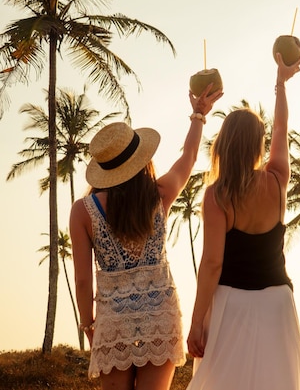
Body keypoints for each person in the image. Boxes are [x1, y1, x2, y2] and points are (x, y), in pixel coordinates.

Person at [70, 83, 223, 390]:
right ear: (141, 159)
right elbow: (189, 158)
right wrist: (197, 115)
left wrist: (88, 325)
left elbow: (84, 280)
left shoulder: (83, 211)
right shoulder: (159, 194)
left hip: (113, 319)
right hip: (160, 315)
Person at [185, 53, 300, 390]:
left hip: (231, 303)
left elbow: (212, 264)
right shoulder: (276, 180)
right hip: (277, 304)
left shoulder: (217, 195)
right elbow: (282, 129)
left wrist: (197, 322)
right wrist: (281, 84)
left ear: (223, 145)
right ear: (259, 144)